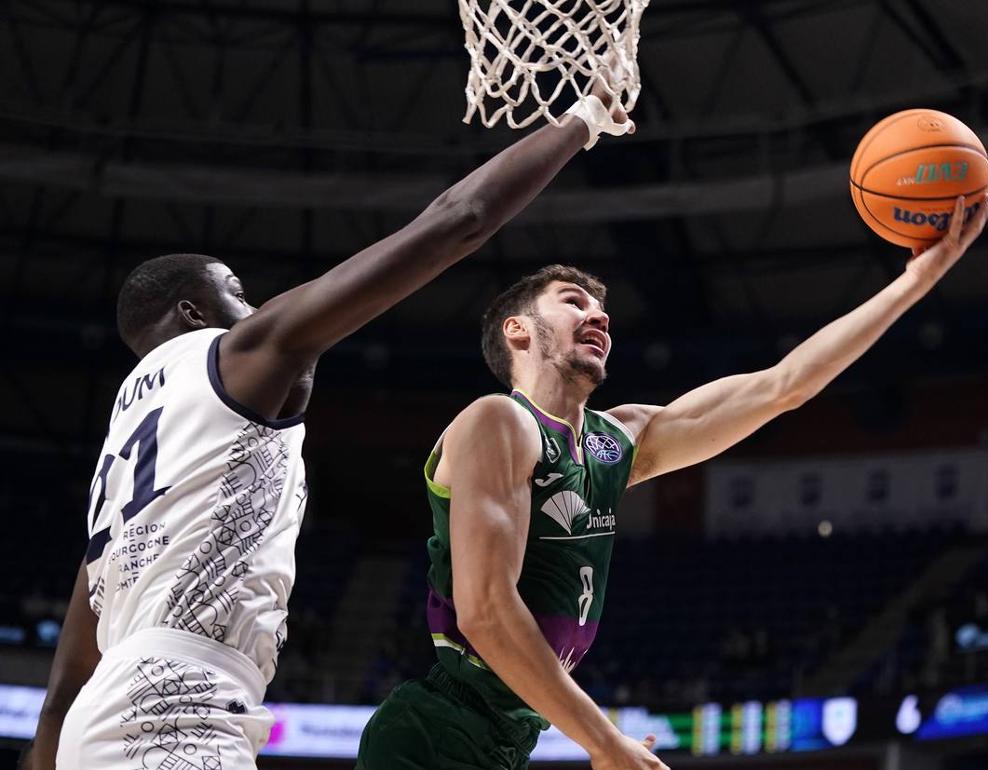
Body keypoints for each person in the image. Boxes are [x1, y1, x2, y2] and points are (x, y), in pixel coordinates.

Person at [22, 79, 634, 770]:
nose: (257, 309)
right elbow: (458, 218)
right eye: (239, 294)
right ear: (195, 312)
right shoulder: (237, 356)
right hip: (176, 705)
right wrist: (579, 122)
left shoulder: (126, 454)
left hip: (103, 718)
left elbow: (60, 694)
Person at [356, 195, 988, 770]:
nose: (598, 314)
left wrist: (916, 281)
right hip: (436, 733)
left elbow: (783, 386)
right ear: (516, 331)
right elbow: (487, 613)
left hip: (508, 737)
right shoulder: (498, 421)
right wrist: (605, 742)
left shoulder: (619, 440)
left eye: (602, 307)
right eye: (573, 302)